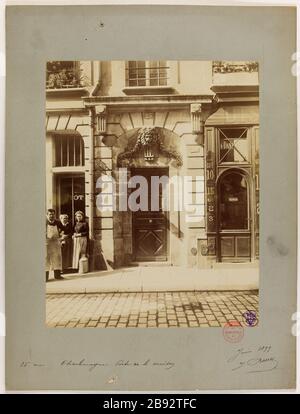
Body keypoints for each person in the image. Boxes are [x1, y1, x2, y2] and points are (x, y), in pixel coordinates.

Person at [46, 209, 63, 282]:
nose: (51, 216)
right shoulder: (44, 222)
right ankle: (45, 277)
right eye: (50, 214)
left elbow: (64, 229)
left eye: (53, 214)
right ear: (47, 215)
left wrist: (62, 236)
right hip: (46, 242)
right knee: (46, 258)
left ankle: (57, 275)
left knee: (57, 257)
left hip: (55, 242)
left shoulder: (58, 222)